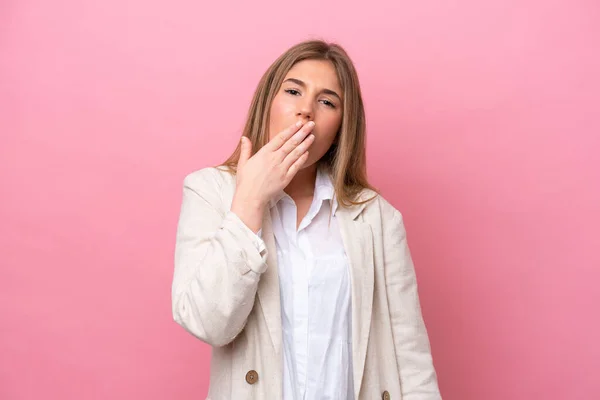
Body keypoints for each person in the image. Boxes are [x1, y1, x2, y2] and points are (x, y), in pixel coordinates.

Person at [171, 39, 442, 400]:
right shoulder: (210, 191)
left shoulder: (377, 217)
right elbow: (207, 321)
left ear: (340, 128)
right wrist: (249, 200)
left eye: (327, 101)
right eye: (293, 91)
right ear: (268, 101)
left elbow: (410, 357)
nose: (306, 111)